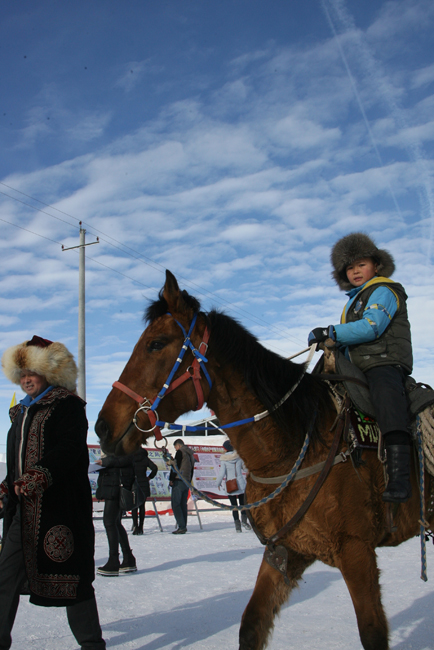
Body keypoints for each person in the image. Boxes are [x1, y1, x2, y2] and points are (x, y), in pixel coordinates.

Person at [0, 335, 105, 650]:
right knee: (4, 577)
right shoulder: (20, 413)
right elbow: (16, 460)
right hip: (21, 513)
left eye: (31, 372)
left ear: (48, 373)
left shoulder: (68, 405)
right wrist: (9, 485)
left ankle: (90, 643)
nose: (26, 379)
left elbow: (69, 449)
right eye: (22, 374)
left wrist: (36, 477)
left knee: (73, 580)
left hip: (59, 510)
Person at [308, 232, 413, 503]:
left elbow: (372, 326)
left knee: (386, 398)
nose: (355, 271)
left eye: (361, 264)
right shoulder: (353, 301)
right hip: (358, 366)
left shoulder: (385, 290)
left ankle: (401, 478)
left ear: (376, 266)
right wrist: (327, 343)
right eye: (350, 268)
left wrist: (332, 331)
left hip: (384, 362)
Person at [95, 453, 137, 576]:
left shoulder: (124, 439)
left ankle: (114, 560)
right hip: (112, 483)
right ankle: (128, 558)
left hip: (116, 484)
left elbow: (126, 457)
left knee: (109, 522)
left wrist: (106, 461)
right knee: (115, 522)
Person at [216, 440, 250, 532]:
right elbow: (245, 468)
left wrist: (218, 483)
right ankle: (244, 521)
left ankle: (237, 526)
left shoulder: (224, 460)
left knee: (233, 506)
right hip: (240, 484)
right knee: (242, 504)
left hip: (230, 484)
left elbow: (222, 473)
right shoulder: (239, 457)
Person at [168, 439, 195, 534]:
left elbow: (176, 466)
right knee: (183, 504)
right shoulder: (190, 454)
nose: (175, 450)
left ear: (178, 446)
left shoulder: (180, 452)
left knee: (176, 504)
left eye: (175, 447)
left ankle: (181, 526)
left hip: (179, 480)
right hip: (186, 480)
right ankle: (183, 525)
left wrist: (171, 479)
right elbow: (192, 469)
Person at [131, 448, 158, 535]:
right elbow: (154, 468)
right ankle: (141, 527)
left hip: (134, 483)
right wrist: (149, 477)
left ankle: (135, 526)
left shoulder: (131, 458)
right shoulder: (145, 458)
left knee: (134, 506)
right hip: (143, 483)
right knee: (142, 506)